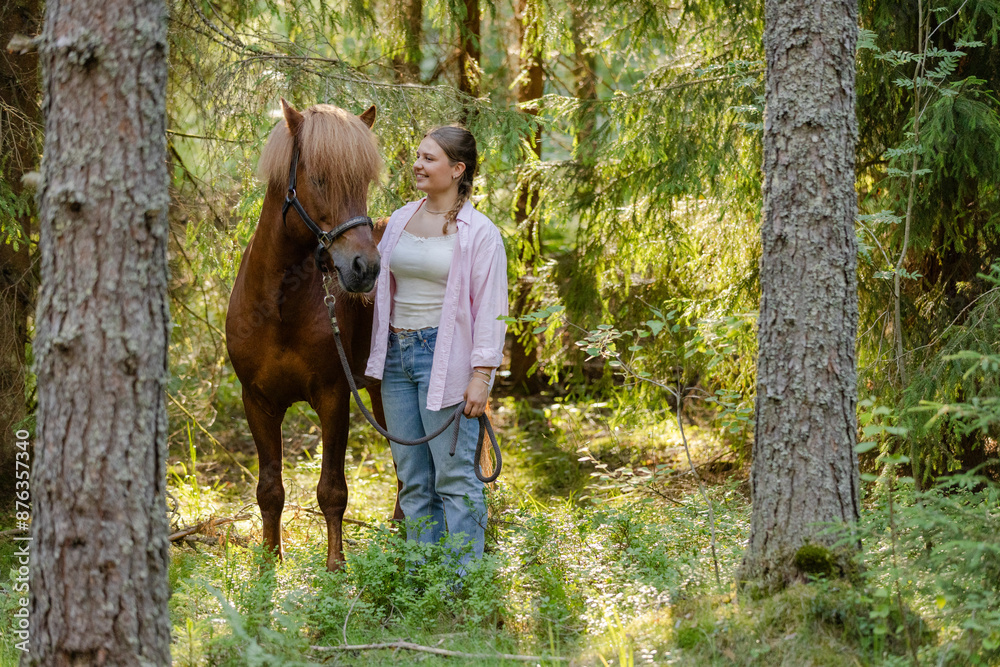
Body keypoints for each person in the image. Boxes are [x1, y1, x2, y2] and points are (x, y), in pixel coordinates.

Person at [365, 126, 508, 568]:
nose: (418, 165)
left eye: (429, 158)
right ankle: (423, 584)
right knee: (412, 480)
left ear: (457, 169)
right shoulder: (400, 219)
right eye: (418, 156)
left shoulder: (480, 233)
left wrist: (482, 374)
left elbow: (491, 307)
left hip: (445, 360)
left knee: (455, 480)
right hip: (396, 358)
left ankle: (464, 586)